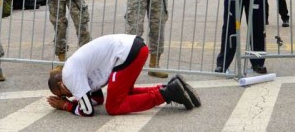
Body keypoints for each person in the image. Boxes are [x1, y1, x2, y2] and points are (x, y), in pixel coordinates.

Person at [47, 34, 201, 116]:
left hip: (126, 53)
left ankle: (167, 94)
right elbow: (98, 99)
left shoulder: (69, 76)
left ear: (61, 85)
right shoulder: (73, 69)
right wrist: (76, 102)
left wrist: (66, 105)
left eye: (62, 94)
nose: (69, 95)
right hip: (133, 48)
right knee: (123, 93)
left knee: (114, 107)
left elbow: (87, 111)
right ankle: (171, 86)